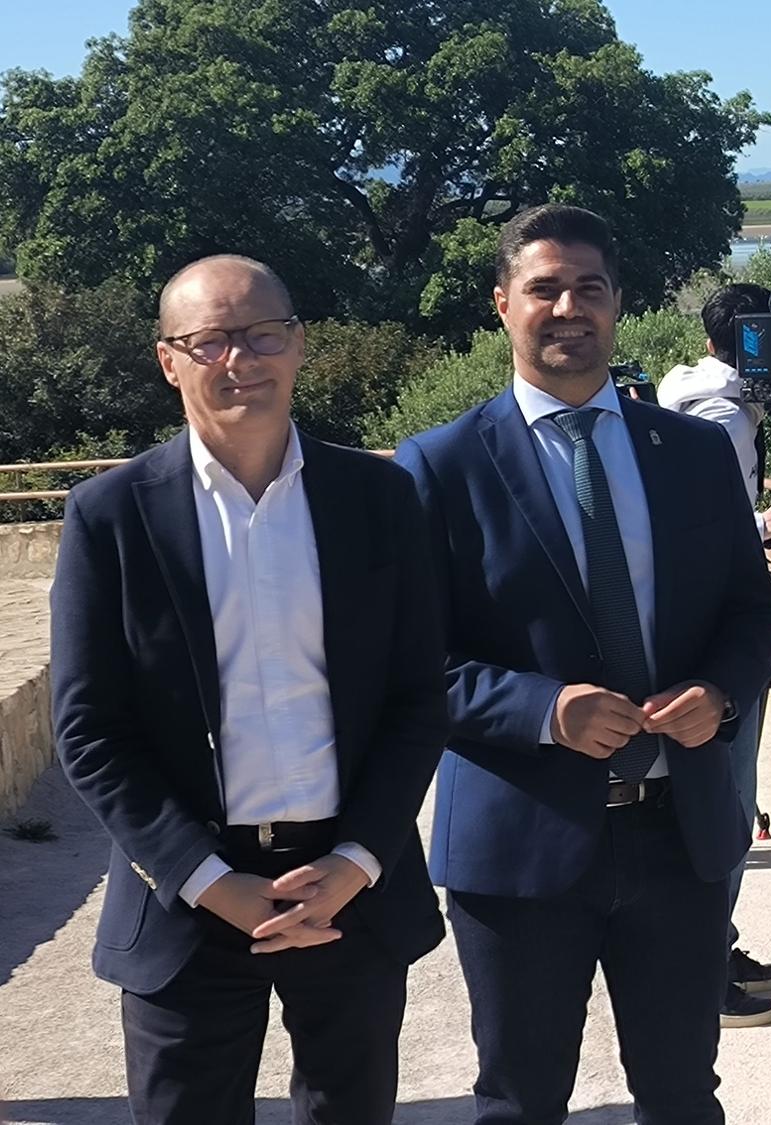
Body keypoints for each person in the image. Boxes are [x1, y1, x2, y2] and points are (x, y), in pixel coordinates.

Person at [395, 204, 771, 1124]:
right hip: (520, 848)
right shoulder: (441, 464)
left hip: (678, 836)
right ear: (502, 304)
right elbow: (412, 663)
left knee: (684, 1096)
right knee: (521, 1100)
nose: (568, 307)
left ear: (618, 306)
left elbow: (749, 610)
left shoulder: (690, 453)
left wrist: (722, 695)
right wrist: (542, 709)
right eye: (544, 288)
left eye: (590, 289)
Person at [50, 255, 447, 1125]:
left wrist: (356, 861)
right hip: (187, 904)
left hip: (350, 892)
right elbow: (87, 728)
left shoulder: (379, 497)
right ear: (169, 361)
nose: (242, 358)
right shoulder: (111, 515)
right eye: (212, 340)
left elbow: (420, 697)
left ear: (298, 344)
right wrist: (205, 877)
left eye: (263, 333)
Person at [656, 281, 771, 1028]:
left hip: (689, 630)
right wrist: (763, 526)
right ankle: (707, 966)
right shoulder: (723, 414)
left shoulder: (684, 389)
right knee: (729, 802)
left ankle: (716, 942)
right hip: (717, 637)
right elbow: (702, 523)